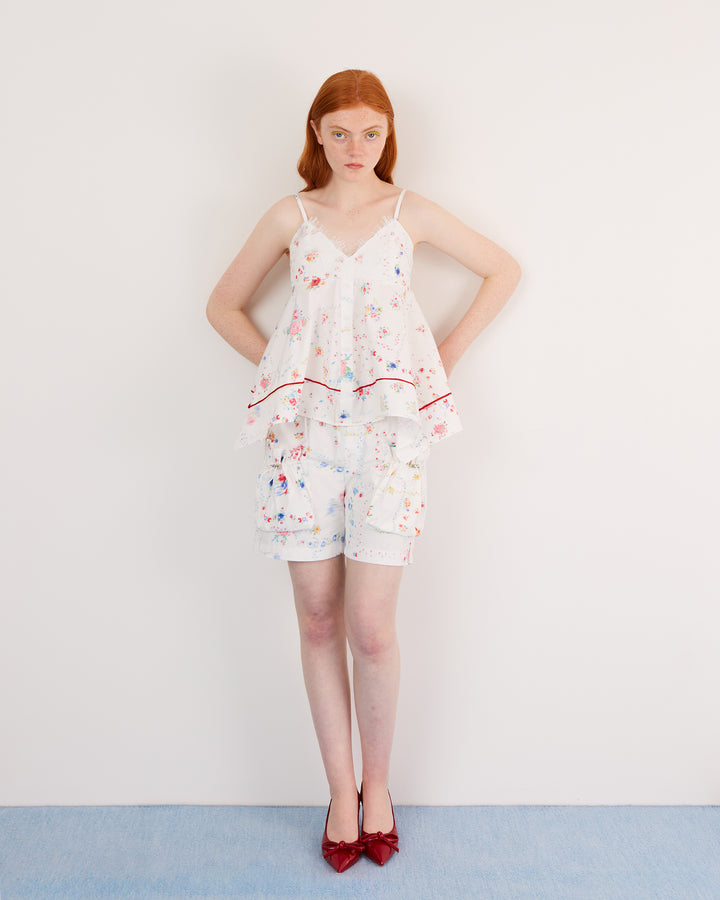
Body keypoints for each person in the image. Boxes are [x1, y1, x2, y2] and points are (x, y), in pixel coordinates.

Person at [206, 69, 521, 873]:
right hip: (303, 445)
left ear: (388, 135)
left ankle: (378, 786)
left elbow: (502, 269)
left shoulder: (409, 212)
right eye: (340, 131)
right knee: (317, 619)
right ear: (317, 132)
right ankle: (339, 793)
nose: (356, 147)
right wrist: (288, 370)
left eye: (370, 132)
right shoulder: (291, 215)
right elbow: (222, 306)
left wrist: (439, 359)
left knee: (371, 628)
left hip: (389, 441)